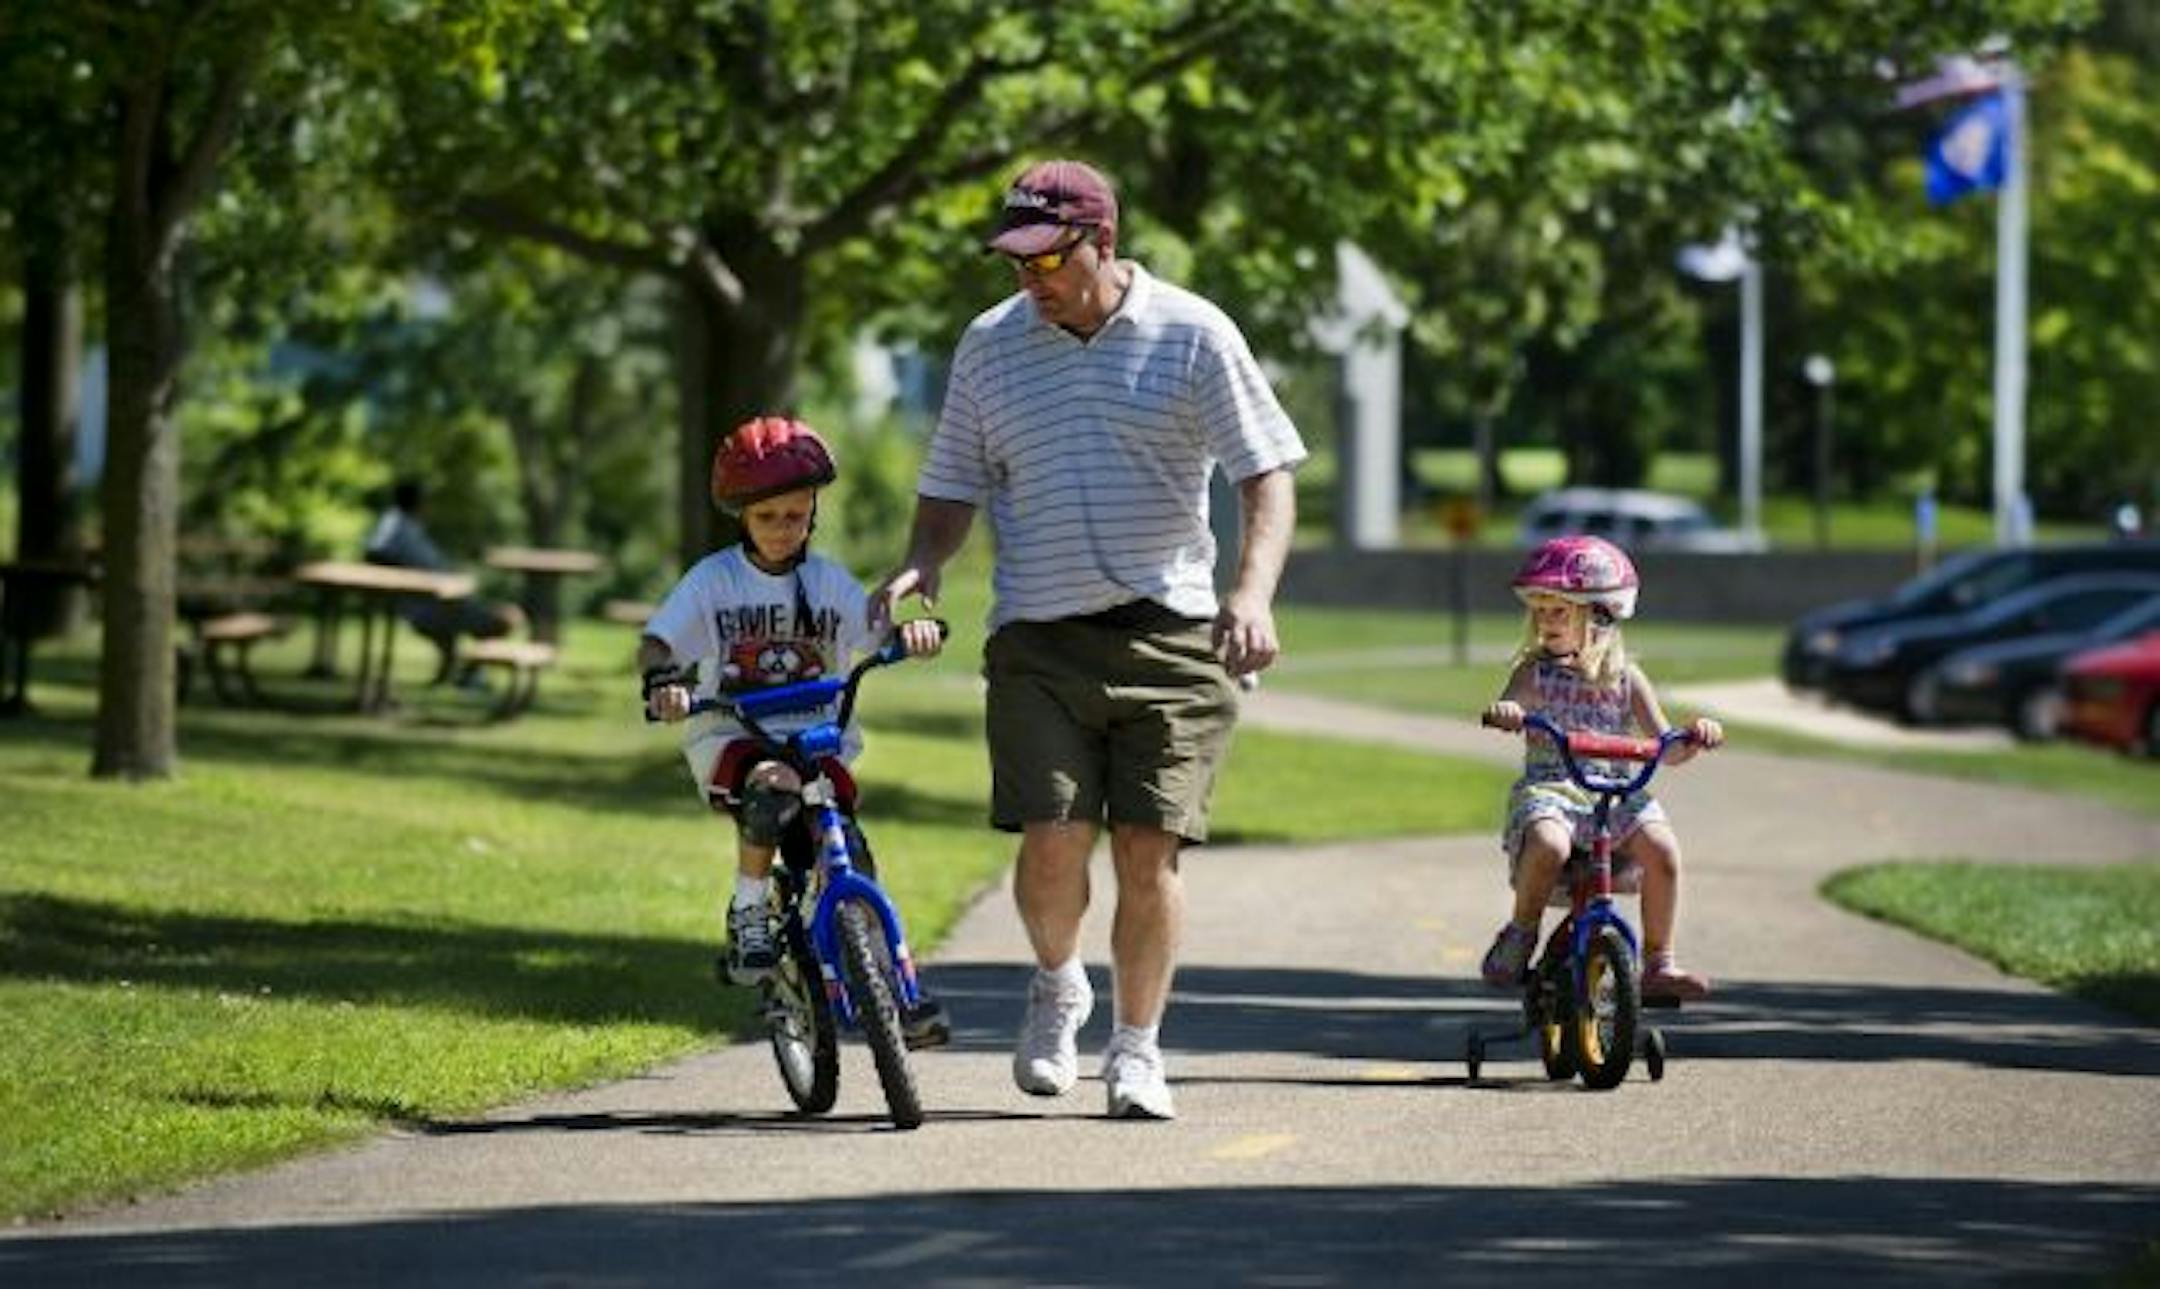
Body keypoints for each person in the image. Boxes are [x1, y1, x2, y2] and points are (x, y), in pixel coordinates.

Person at [871, 159, 1307, 1120]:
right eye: (1015, 259)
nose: (1030, 277)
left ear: (1102, 242)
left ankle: (1139, 1049)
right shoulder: (991, 346)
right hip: (1039, 634)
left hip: (1173, 633)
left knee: (1149, 853)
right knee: (1054, 840)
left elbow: (1266, 474)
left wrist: (1253, 591)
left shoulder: (1194, 333)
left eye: (1048, 257)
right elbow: (953, 481)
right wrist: (925, 560)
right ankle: (1059, 980)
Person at [641, 415, 946, 991]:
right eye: (766, 517)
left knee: (849, 848)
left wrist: (910, 638)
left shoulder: (828, 582)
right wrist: (662, 678)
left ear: (813, 512)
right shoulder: (714, 581)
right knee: (772, 790)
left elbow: (874, 635)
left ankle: (889, 983)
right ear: (741, 517)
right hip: (734, 735)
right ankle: (749, 912)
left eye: (795, 516)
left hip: (814, 736)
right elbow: (658, 640)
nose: (782, 530)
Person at [1478, 535, 1724, 1001]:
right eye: (1541, 611)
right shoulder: (1535, 674)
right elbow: (1509, 704)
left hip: (1615, 793)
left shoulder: (1627, 679)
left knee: (1663, 850)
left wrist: (1695, 737)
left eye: (1560, 611)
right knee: (1549, 842)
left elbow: (1664, 747)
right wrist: (1507, 712)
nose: (1546, 621)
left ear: (1602, 616)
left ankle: (1659, 962)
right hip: (1553, 789)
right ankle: (1521, 932)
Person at [363, 480, 526, 676]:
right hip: (427, 604)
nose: (428, 504)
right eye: (425, 499)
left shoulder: (410, 525)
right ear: (415, 500)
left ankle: (463, 672)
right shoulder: (393, 522)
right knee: (508, 618)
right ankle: (470, 674)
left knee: (505, 614)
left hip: (445, 599)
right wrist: (407, 579)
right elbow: (374, 553)